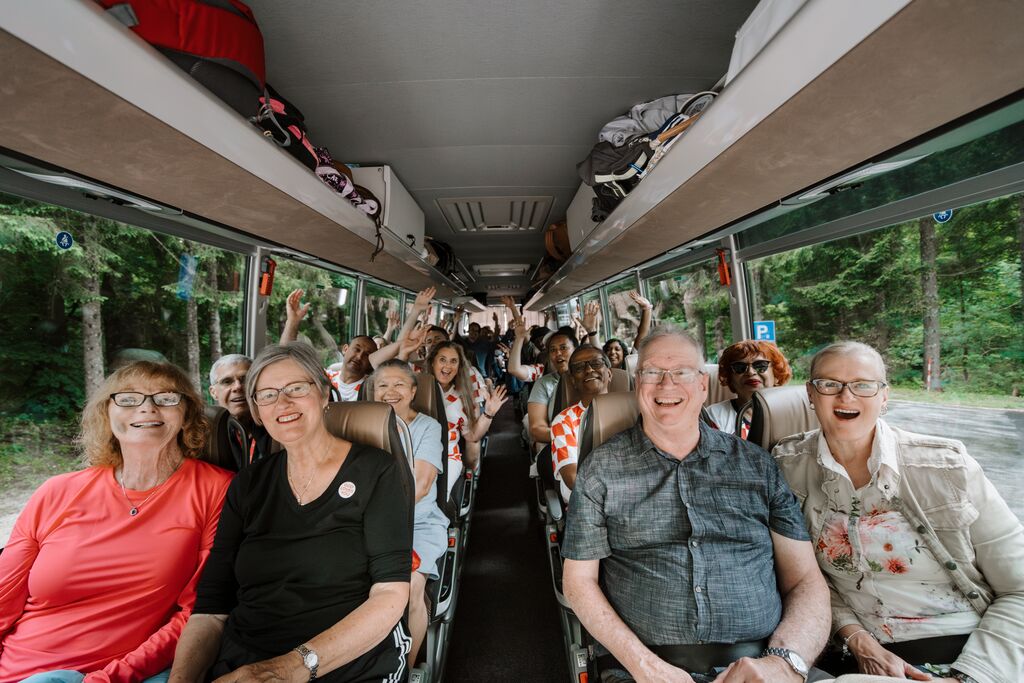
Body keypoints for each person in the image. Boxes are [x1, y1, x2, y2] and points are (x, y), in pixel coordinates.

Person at [561, 325, 830, 683]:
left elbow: (806, 581)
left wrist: (783, 664)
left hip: (765, 657)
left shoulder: (757, 466)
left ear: (702, 385)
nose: (666, 385)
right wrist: (644, 666)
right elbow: (578, 582)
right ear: (637, 383)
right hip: (647, 663)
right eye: (653, 373)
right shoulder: (601, 470)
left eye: (682, 373)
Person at [773, 341, 1024, 683]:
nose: (846, 397)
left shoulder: (947, 468)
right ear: (811, 394)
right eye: (830, 384)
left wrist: (969, 677)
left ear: (884, 396)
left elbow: (1019, 588)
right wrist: (857, 639)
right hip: (853, 656)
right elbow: (805, 580)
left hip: (973, 651)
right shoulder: (784, 470)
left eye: (863, 385)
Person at [169, 343, 413, 683]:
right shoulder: (248, 484)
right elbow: (211, 609)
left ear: (325, 393)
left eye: (296, 389)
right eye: (266, 395)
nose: (282, 403)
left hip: (349, 659)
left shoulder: (375, 470)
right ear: (256, 411)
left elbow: (390, 594)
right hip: (246, 656)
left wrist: (289, 668)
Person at [0, 361, 232, 683]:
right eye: (128, 398)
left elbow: (198, 613)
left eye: (165, 398)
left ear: (187, 413)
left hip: (121, 673)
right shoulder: (56, 491)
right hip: (17, 668)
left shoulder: (216, 490)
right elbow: (3, 601)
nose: (147, 408)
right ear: (106, 414)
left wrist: (109, 678)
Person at [370, 360, 449, 670]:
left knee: (410, 587)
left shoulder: (428, 427)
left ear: (414, 391)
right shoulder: (356, 426)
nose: (390, 392)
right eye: (382, 386)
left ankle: (409, 667)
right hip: (364, 523)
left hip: (418, 523)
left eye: (399, 385)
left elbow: (421, 484)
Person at [426, 341, 508, 495]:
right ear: (432, 363)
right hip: (414, 452)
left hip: (448, 455)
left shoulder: (462, 398)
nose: (447, 366)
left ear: (458, 368)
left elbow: (472, 435)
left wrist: (489, 413)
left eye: (453, 361)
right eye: (442, 360)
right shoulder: (415, 390)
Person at [280, 288, 378, 401]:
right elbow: (285, 359)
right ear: (345, 349)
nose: (359, 356)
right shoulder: (325, 378)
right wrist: (292, 321)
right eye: (357, 349)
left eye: (367, 355)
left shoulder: (372, 388)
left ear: (371, 362)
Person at [550, 346, 613, 503]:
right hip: (588, 502)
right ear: (573, 380)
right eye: (579, 367)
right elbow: (573, 479)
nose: (589, 369)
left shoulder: (633, 410)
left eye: (596, 363)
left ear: (609, 373)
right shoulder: (564, 421)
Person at [707, 340, 793, 438]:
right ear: (729, 377)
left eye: (760, 365)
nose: (750, 372)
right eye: (739, 367)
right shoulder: (714, 416)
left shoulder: (793, 412)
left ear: (776, 374)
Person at [208, 354, 274, 464]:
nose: (238, 387)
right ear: (213, 392)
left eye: (245, 379)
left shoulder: (275, 427)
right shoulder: (204, 437)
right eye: (227, 381)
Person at [603, 291, 654, 370]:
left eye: (617, 349)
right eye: (608, 350)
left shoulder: (628, 368)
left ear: (624, 353)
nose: (612, 352)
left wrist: (647, 308)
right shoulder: (602, 372)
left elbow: (642, 334)